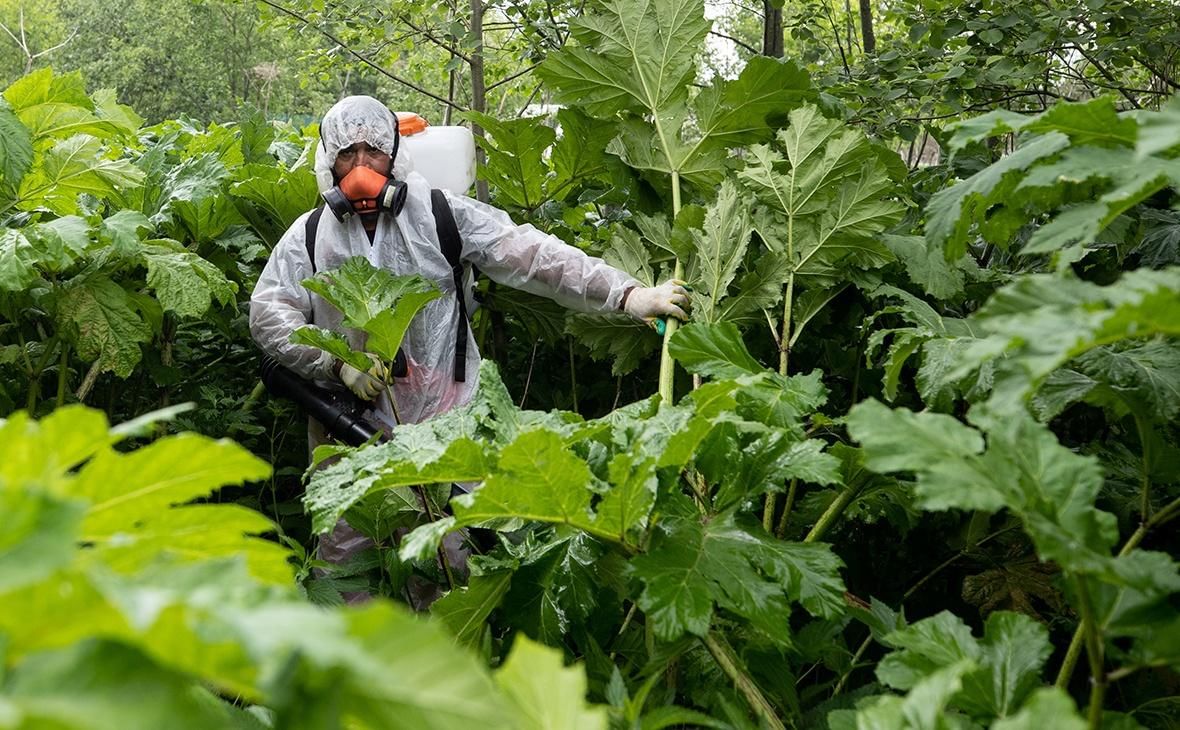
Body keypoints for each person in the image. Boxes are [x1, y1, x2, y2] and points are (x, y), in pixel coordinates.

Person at [250, 95, 689, 579]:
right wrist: (335, 364)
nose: (360, 168)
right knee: (347, 566)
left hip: (444, 422)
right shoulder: (310, 235)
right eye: (347, 154)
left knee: (446, 561)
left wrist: (629, 295)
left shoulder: (440, 215)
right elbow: (269, 312)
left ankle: (447, 649)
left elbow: (533, 255)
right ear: (327, 163)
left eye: (372, 152)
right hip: (344, 427)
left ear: (395, 155)